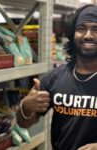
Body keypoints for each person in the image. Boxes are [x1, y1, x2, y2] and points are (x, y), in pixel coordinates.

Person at [16, 4, 97, 150]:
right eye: (81, 28)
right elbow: (24, 123)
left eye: (96, 29)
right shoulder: (54, 78)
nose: (88, 35)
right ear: (72, 34)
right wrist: (26, 106)